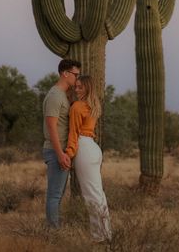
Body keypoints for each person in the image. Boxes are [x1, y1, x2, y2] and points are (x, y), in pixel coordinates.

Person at [66, 74, 112, 243]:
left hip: (84, 148)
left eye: (80, 87)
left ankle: (99, 238)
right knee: (98, 194)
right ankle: (106, 233)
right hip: (94, 148)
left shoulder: (77, 106)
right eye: (75, 86)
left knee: (91, 195)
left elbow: (73, 133)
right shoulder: (93, 106)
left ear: (88, 88)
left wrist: (68, 155)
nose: (76, 89)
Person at [42, 58, 81, 228]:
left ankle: (54, 229)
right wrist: (60, 154)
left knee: (57, 194)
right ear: (65, 73)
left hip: (61, 151)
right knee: (55, 195)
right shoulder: (55, 95)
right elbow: (51, 126)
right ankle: (53, 232)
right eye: (75, 74)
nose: (77, 79)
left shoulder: (61, 94)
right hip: (56, 151)